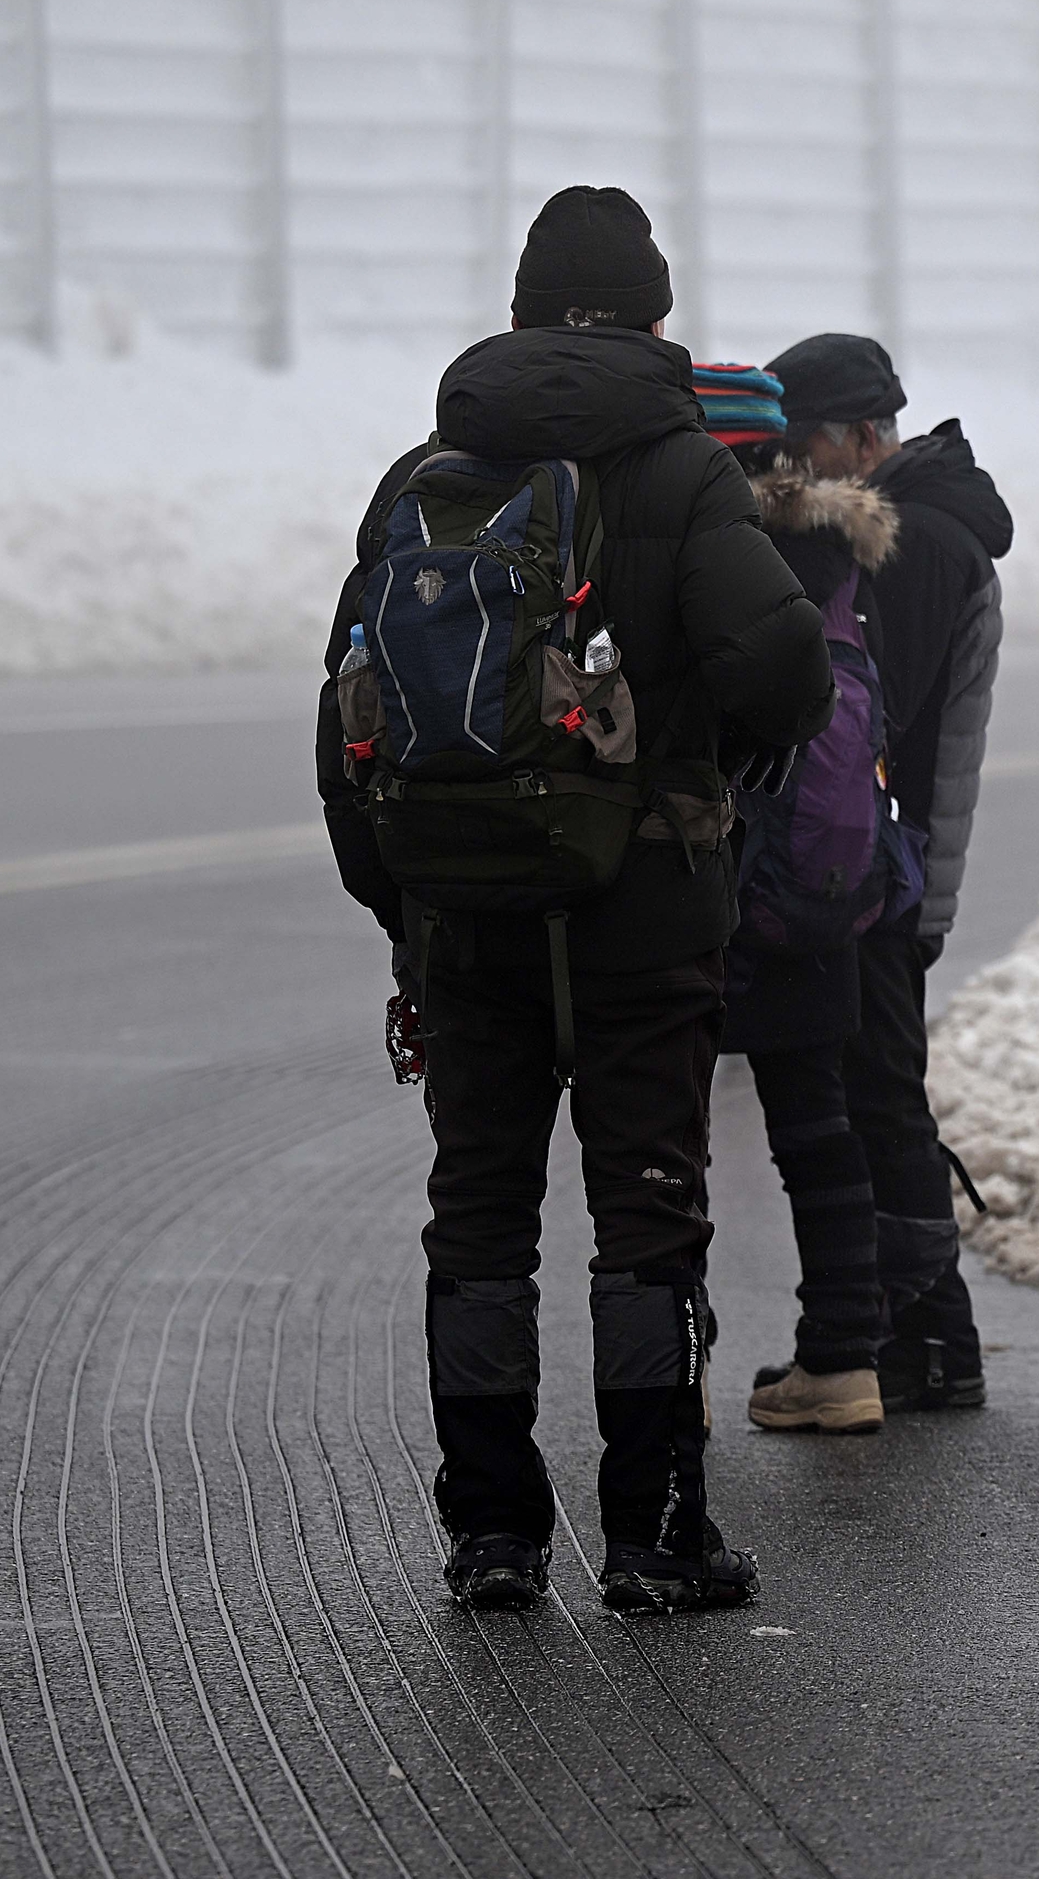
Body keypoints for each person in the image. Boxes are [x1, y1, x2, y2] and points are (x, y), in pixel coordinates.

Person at [317, 186, 829, 1616]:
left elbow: (345, 718)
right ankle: (657, 1532)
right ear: (658, 316)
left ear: (529, 305)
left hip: (463, 918)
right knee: (648, 1217)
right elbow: (787, 664)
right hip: (644, 916)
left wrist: (406, 906)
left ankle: (492, 1532)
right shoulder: (678, 470)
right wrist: (712, 785)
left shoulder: (426, 471)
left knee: (477, 1218)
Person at [766, 329, 1014, 1411]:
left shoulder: (909, 544)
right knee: (879, 1094)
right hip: (892, 858)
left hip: (875, 868)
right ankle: (923, 1341)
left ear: (864, 437)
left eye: (800, 446)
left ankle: (918, 1341)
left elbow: (867, 723)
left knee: (876, 1101)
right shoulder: (933, 529)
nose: (788, 469)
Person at [700, 360, 911, 1436]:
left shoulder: (697, 540)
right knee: (818, 1124)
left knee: (657, 1132)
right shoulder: (834, 550)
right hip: (819, 876)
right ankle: (842, 1359)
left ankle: (664, 1361)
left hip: (706, 873)